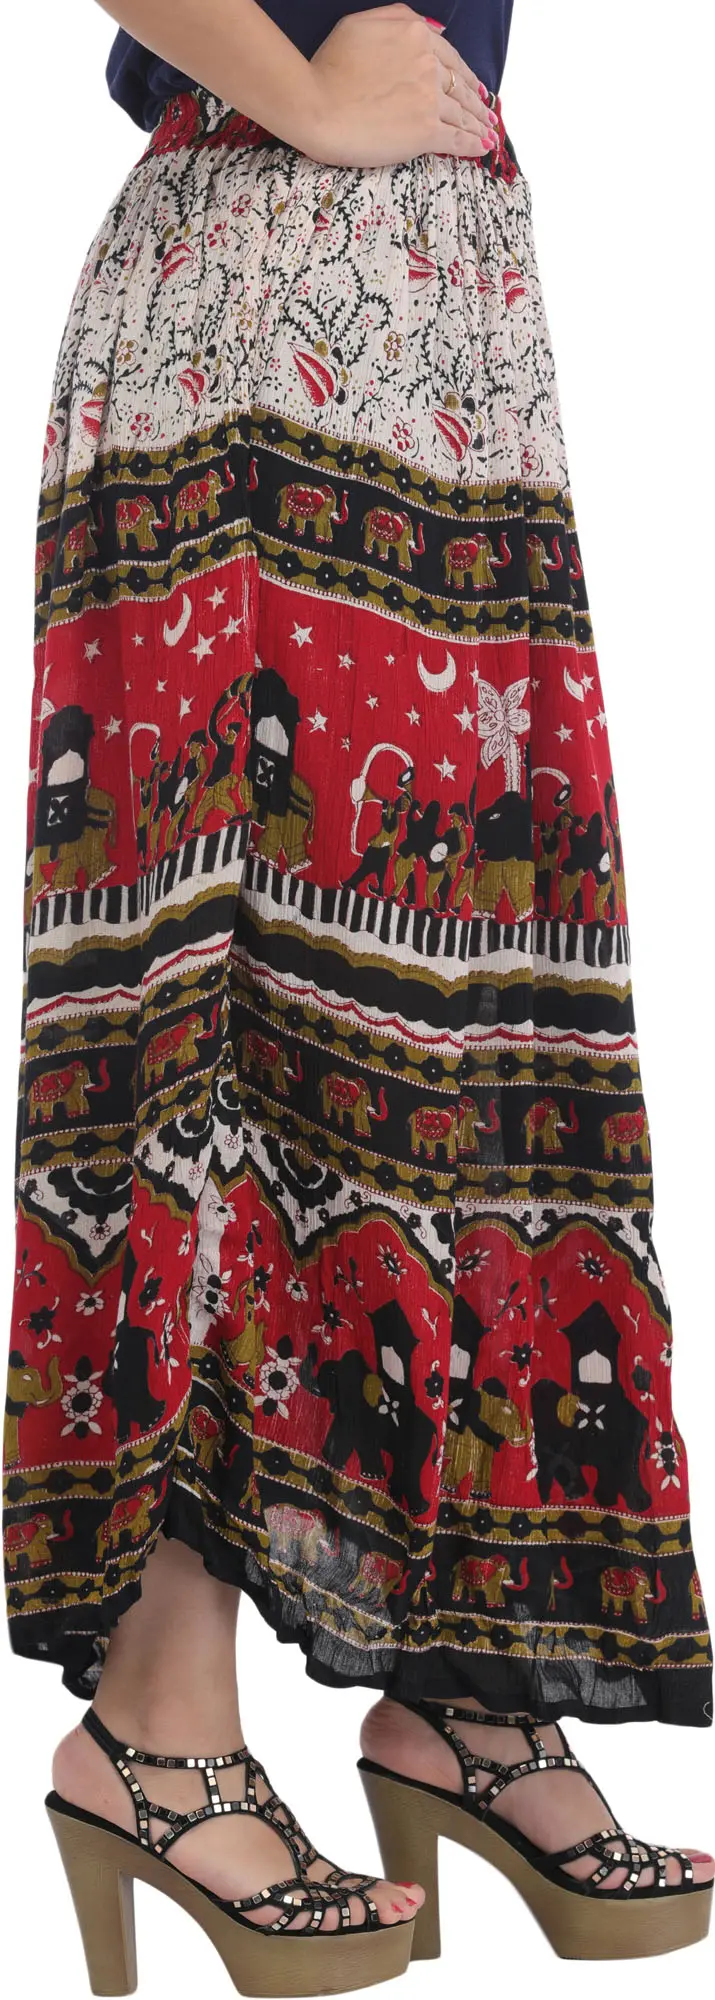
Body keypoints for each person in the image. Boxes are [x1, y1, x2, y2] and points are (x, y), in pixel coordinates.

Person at [3, 2, 713, 1985]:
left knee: (477, 999)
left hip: (453, 303)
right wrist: (313, 93)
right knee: (230, 1008)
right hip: (256, 285)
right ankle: (155, 1724)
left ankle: (464, 1684)